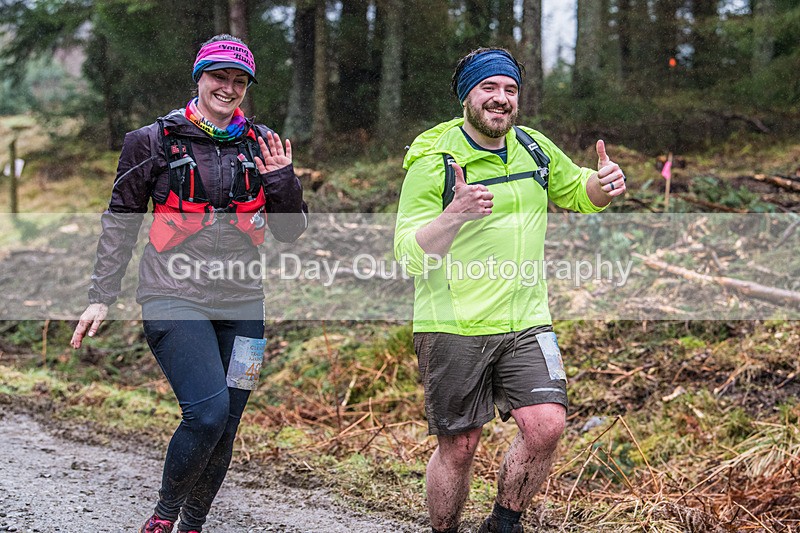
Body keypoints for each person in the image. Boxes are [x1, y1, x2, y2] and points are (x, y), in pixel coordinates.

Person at [70, 34, 308, 533]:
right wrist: (100, 297)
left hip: (245, 303)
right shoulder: (152, 140)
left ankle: (193, 524)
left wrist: (284, 180)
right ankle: (162, 518)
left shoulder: (260, 143)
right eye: (219, 77)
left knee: (228, 425)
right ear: (199, 78)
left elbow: (290, 232)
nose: (229, 88)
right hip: (172, 295)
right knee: (207, 413)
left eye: (239, 80)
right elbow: (121, 219)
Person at [393, 48, 627, 533]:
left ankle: (504, 524)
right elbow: (407, 253)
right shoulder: (434, 162)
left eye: (510, 89)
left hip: (526, 319)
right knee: (460, 446)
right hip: (453, 323)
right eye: (489, 88)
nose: (501, 99)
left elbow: (580, 192)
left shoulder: (534, 149)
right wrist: (452, 216)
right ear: (467, 97)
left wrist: (604, 183)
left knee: (547, 426)